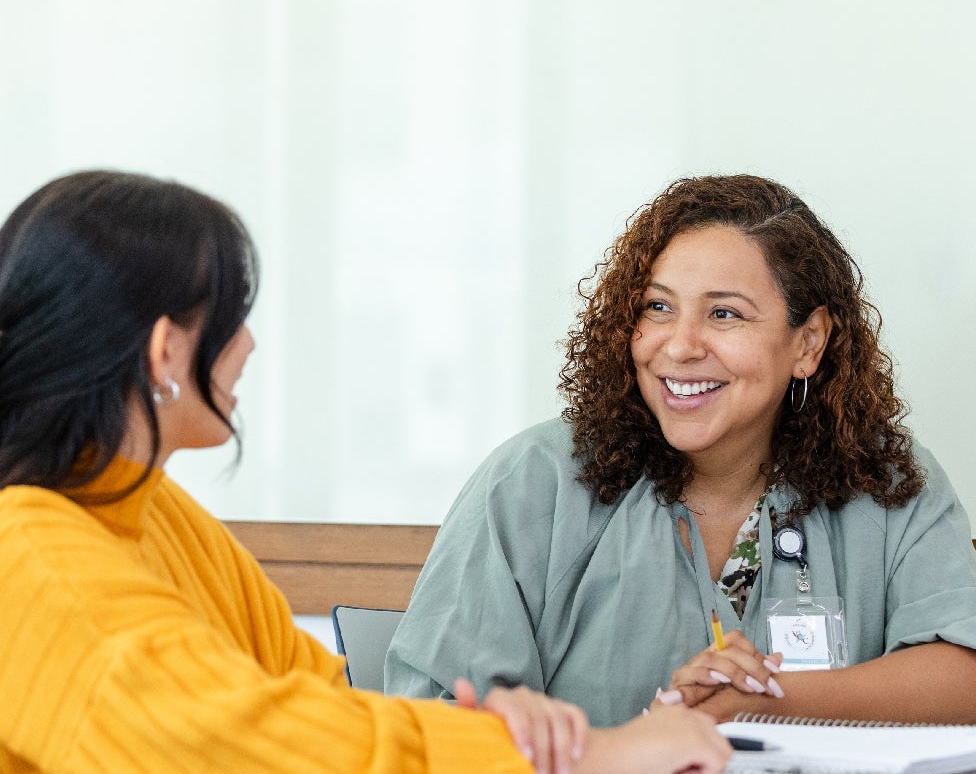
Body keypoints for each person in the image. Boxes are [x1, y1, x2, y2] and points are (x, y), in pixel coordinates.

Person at [0, 171, 730, 774]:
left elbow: (314, 704)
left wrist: (480, 733)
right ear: (163, 353)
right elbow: (236, 751)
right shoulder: (19, 553)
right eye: (232, 317)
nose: (249, 343)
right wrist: (586, 756)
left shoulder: (146, 515)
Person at [386, 173, 976, 727]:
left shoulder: (888, 479)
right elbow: (441, 717)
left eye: (724, 314)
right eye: (657, 307)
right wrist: (630, 752)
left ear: (809, 342)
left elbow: (963, 674)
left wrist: (763, 701)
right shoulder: (532, 483)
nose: (680, 345)